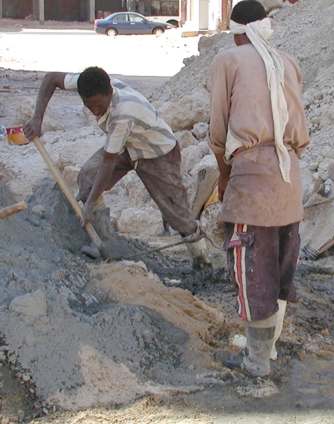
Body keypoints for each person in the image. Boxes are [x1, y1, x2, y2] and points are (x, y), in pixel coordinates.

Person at [208, 0, 310, 377]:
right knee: (281, 267)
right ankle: (269, 352)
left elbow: (218, 132)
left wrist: (223, 175)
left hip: (252, 176)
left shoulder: (229, 61)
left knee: (253, 271)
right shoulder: (289, 61)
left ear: (237, 34)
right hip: (290, 178)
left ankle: (256, 365)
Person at [23, 67, 211, 268]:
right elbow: (51, 78)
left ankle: (202, 261)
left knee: (177, 213)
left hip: (157, 152)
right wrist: (37, 118)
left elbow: (108, 161)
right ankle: (104, 243)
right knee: (88, 177)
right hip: (128, 145)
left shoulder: (123, 111)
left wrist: (90, 203)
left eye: (98, 105)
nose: (94, 111)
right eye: (89, 106)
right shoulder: (87, 82)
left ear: (109, 93)